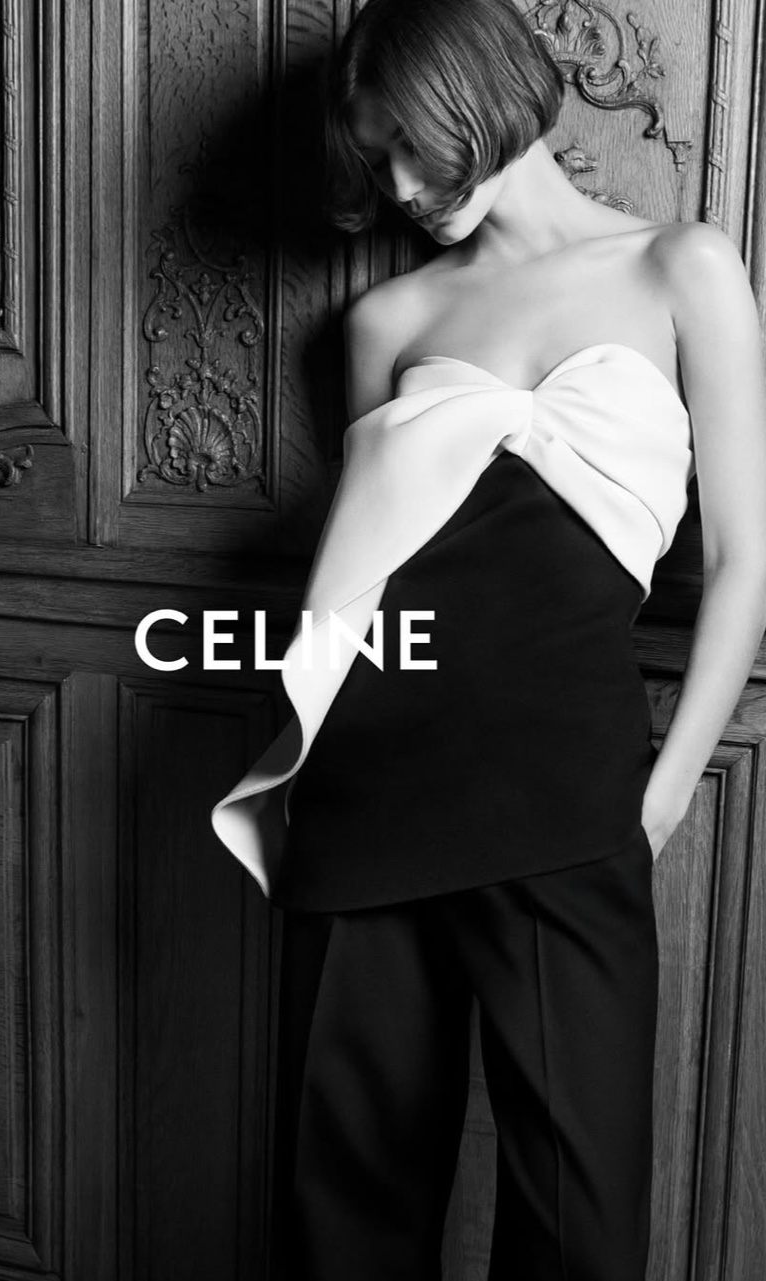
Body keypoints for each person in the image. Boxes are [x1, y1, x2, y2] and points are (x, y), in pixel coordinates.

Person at [211, 0, 766, 1277]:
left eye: (411, 144)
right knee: (342, 1220)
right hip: (368, 790)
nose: (401, 189)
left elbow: (744, 565)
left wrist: (663, 796)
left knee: (582, 1227)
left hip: (569, 795)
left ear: (482, 92)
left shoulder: (681, 268)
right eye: (377, 162)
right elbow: (368, 561)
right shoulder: (386, 324)